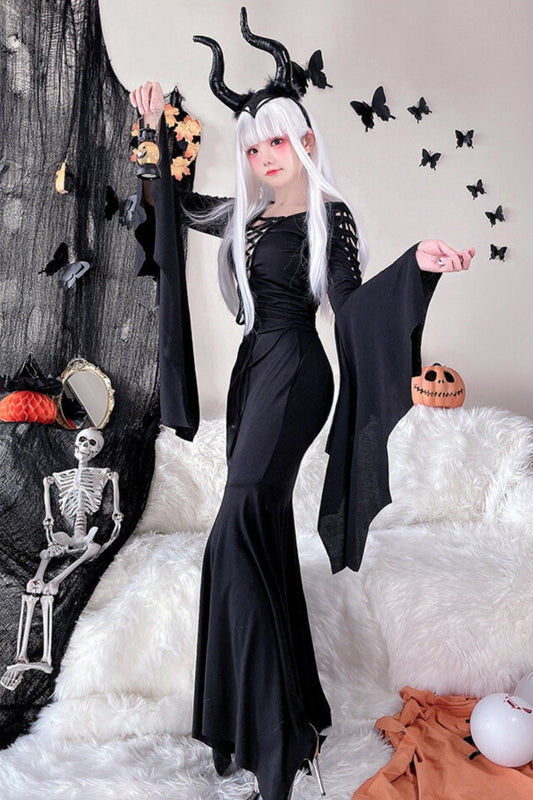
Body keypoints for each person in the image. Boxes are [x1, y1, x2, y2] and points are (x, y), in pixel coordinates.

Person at [130, 11, 474, 800]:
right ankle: (289, 714)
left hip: (296, 375)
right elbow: (173, 210)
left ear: (307, 143)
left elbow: (350, 311)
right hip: (255, 373)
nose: (263, 158)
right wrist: (149, 132)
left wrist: (415, 268)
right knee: (260, 537)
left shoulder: (329, 217)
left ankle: (274, 741)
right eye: (253, 148)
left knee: (235, 532)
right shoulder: (245, 216)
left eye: (277, 143)